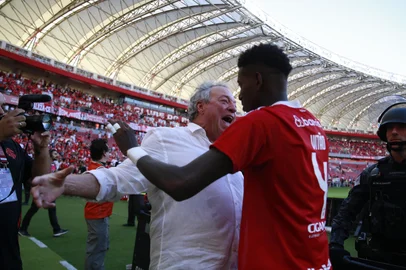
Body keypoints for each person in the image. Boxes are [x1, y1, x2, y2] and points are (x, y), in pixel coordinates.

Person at [108, 44, 331, 269]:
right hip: (316, 260)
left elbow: (181, 184)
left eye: (241, 86)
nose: (240, 97)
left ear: (258, 80)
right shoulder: (313, 125)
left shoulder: (261, 122)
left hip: (278, 262)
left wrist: (133, 149)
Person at [31, 82, 243, 269]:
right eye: (225, 101)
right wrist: (66, 184)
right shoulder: (167, 139)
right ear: (201, 106)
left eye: (234, 103)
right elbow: (117, 178)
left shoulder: (236, 153)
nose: (233, 107)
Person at [330, 106, 406, 269]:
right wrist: (335, 245)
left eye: (401, 127)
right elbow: (346, 212)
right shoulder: (372, 174)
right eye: (389, 128)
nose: (393, 132)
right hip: (375, 260)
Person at [0, 92, 51, 270]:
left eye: (2, 107)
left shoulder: (11, 145)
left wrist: (41, 150)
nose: (2, 113)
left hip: (8, 249)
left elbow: (39, 179)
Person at [19, 148, 68, 238]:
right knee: (35, 209)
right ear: (50, 155)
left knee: (47, 209)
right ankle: (23, 228)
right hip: (42, 189)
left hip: (47, 189)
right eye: (55, 153)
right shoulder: (46, 164)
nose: (57, 154)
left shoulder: (53, 164)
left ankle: (56, 229)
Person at [85, 139, 113, 270]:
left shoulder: (96, 168)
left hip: (100, 213)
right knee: (97, 248)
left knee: (99, 246)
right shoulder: (99, 171)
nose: (109, 154)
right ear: (103, 153)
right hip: (97, 214)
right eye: (108, 151)